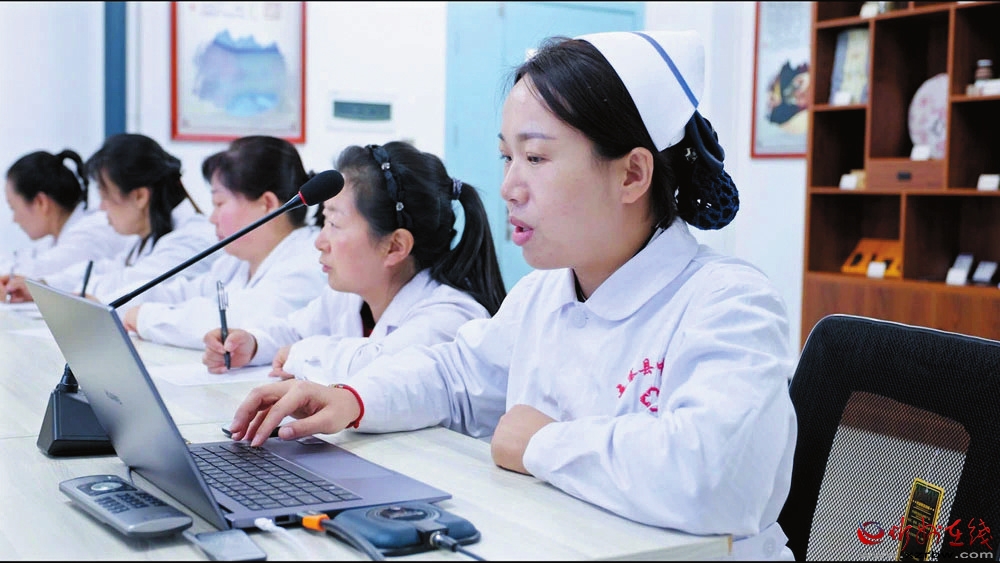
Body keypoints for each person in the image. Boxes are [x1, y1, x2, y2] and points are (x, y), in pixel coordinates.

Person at [227, 31, 797, 561]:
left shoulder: (727, 301)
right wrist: (352, 399)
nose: (508, 187)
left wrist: (541, 442)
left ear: (631, 175)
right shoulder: (544, 294)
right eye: (507, 157)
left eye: (536, 158)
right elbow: (453, 376)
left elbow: (718, 477)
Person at [202, 140, 507, 383]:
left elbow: (380, 367)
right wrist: (252, 344)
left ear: (395, 246)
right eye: (324, 221)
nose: (319, 241)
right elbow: (294, 331)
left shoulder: (451, 318)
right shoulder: (347, 299)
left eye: (335, 224)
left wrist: (300, 354)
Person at [117, 136, 329, 350]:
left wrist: (143, 317)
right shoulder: (236, 262)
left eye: (219, 203)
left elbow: (232, 325)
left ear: (267, 204)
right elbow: (184, 293)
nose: (212, 218)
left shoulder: (307, 264)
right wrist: (120, 305)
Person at [4, 133, 217, 305]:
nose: (101, 207)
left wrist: (54, 290)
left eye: (106, 197)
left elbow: (135, 284)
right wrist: (43, 285)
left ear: (140, 196)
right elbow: (105, 269)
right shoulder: (146, 237)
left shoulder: (190, 240)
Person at [0, 149, 134, 298]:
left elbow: (32, 272)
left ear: (41, 202)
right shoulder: (58, 236)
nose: (14, 219)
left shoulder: (89, 234)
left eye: (13, 208)